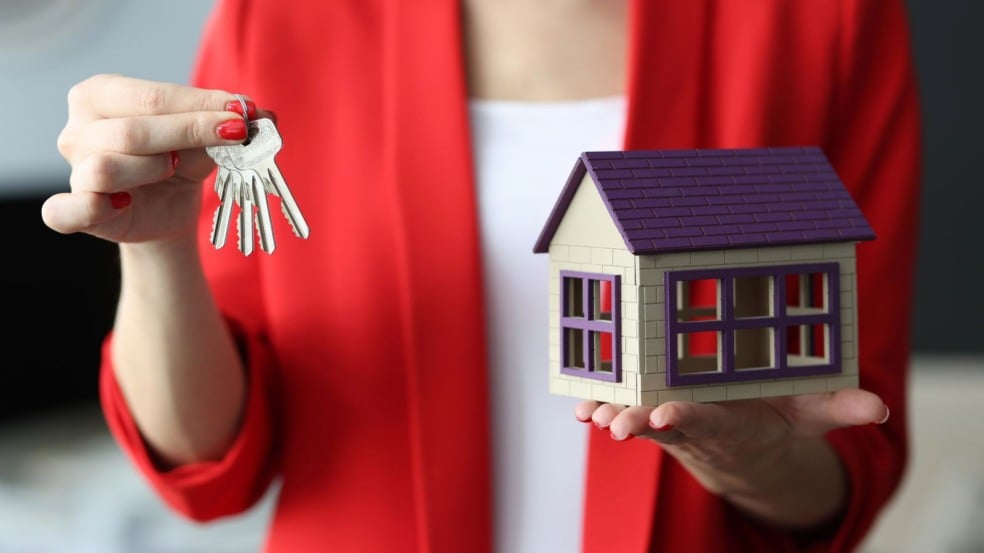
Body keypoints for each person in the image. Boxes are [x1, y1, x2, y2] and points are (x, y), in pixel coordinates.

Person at [42, 1, 921, 551]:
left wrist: (751, 455)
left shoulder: (824, 19)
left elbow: (849, 466)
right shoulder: (281, 17)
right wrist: (156, 246)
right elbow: (209, 462)